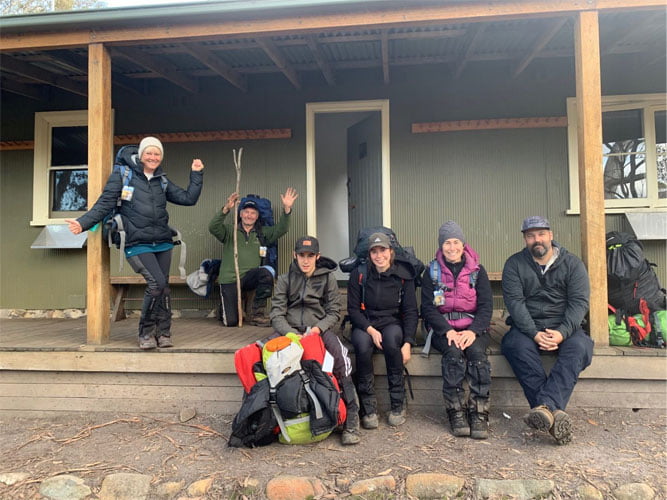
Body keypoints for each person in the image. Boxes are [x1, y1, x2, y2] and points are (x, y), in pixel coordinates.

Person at [66, 137, 204, 349]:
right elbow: (104, 204)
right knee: (156, 284)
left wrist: (196, 174)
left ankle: (164, 333)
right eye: (149, 153)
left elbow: (188, 198)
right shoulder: (122, 176)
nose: (153, 157)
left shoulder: (162, 180)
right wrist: (82, 223)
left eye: (157, 154)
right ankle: (146, 333)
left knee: (164, 288)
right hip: (136, 242)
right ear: (140, 155)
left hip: (163, 242)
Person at [501, 216, 594, 445]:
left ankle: (545, 408)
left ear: (551, 235)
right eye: (531, 236)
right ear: (525, 239)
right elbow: (515, 303)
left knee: (580, 347)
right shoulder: (514, 264)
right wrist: (533, 332)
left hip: (564, 326)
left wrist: (562, 333)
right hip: (527, 327)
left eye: (541, 234)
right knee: (514, 346)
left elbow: (579, 303)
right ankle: (554, 413)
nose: (537, 240)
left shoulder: (572, 264)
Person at [269, 236, 361, 445]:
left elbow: (334, 311)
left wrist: (318, 329)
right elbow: (276, 314)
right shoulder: (285, 279)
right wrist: (291, 333)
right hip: (289, 331)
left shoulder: (328, 278)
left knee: (340, 357)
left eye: (310, 256)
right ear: (295, 255)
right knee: (262, 354)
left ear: (317, 257)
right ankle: (264, 419)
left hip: (319, 329)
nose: (306, 260)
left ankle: (351, 418)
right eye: (302, 255)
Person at [421, 221, 493, 439]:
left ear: (463, 244)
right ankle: (456, 411)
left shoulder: (477, 272)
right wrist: (447, 331)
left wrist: (473, 331)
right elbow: (427, 307)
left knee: (477, 356)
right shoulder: (431, 272)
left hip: (472, 328)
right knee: (453, 356)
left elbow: (486, 306)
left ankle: (479, 412)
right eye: (447, 243)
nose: (451, 247)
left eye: (455, 242)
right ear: (441, 246)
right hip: (442, 329)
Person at [347, 232, 418, 428]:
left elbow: (411, 311)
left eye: (383, 250)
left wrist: (408, 342)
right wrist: (370, 330)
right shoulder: (359, 274)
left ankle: (397, 402)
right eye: (374, 252)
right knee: (361, 345)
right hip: (366, 321)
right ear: (369, 254)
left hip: (392, 321)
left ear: (391, 251)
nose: (379, 256)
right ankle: (368, 406)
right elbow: (353, 309)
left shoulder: (403, 276)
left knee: (391, 340)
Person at [209, 188, 297, 327]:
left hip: (250, 276)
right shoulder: (229, 231)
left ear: (257, 216)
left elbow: (282, 229)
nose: (249, 215)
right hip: (230, 278)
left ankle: (257, 314)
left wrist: (287, 209)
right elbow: (213, 227)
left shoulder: (262, 233)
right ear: (241, 214)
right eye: (246, 212)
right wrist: (226, 209)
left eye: (253, 213)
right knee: (231, 322)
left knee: (267, 274)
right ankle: (225, 307)